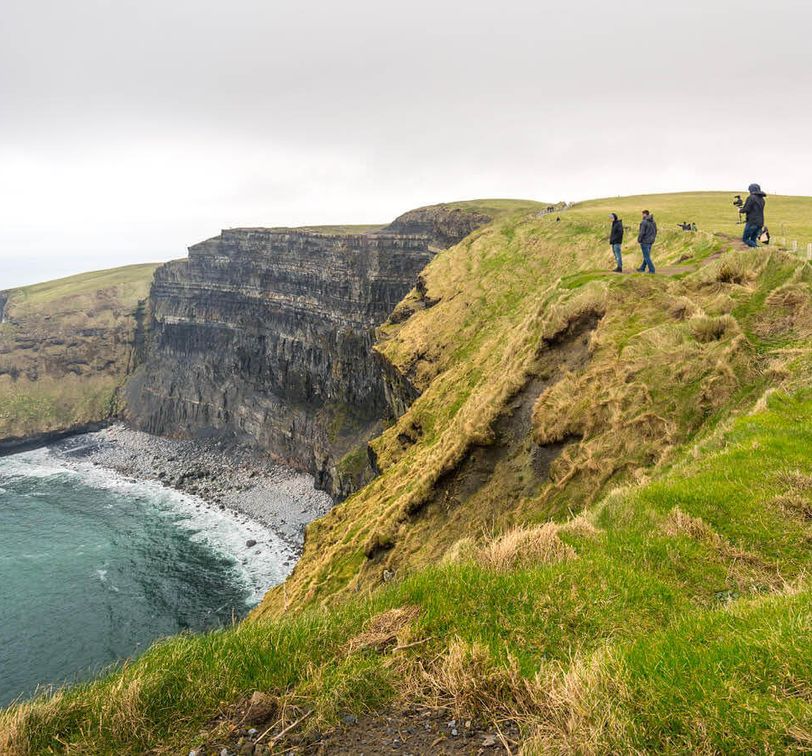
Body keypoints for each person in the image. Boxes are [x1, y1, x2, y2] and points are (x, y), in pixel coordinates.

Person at [739, 184, 767, 248]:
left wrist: (740, 210)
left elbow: (747, 209)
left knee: (745, 239)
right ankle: (755, 252)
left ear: (751, 190)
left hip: (752, 222)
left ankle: (759, 249)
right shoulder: (762, 199)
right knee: (753, 240)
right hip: (760, 222)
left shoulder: (751, 197)